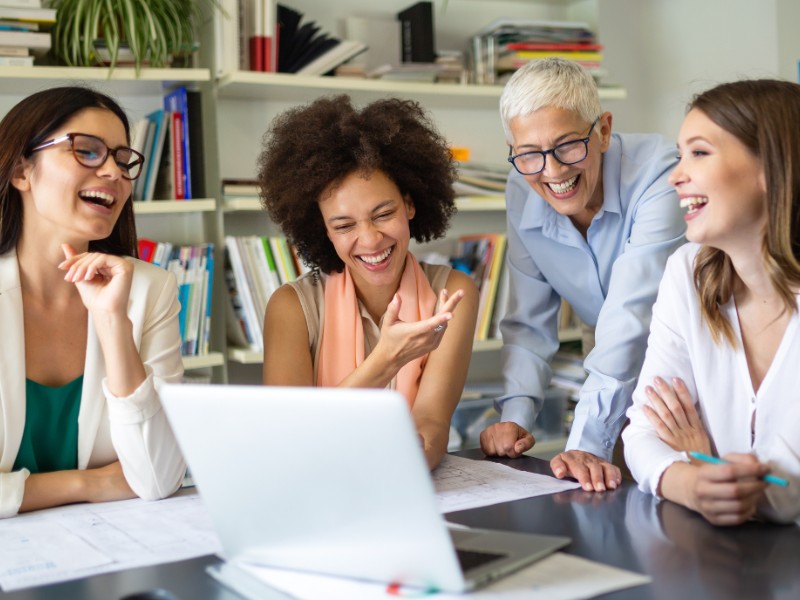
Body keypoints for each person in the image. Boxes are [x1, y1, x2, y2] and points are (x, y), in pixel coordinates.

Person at [479, 57, 686, 492]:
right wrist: (515, 417)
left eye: (568, 145)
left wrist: (587, 442)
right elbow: (528, 319)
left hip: (686, 364)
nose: (552, 171)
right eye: (529, 154)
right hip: (608, 363)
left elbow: (632, 316)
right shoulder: (522, 187)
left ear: (604, 130)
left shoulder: (659, 174)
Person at [257, 95, 479, 470]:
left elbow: (431, 424)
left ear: (409, 205)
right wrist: (388, 358)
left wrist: (402, 469)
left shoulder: (453, 294)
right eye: (344, 225)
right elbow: (290, 440)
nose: (371, 239)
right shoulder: (291, 308)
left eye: (384, 213)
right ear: (323, 230)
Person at [0, 86, 186, 518]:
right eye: (87, 151)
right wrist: (88, 483)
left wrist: (111, 323)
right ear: (21, 171)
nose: (114, 173)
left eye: (123, 160)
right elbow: (121, 482)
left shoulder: (149, 290)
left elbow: (158, 478)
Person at [623, 79, 800, 526]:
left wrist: (703, 457)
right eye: (680, 155)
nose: (676, 175)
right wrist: (692, 484)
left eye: (699, 153)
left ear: (771, 168)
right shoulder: (688, 272)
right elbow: (643, 430)